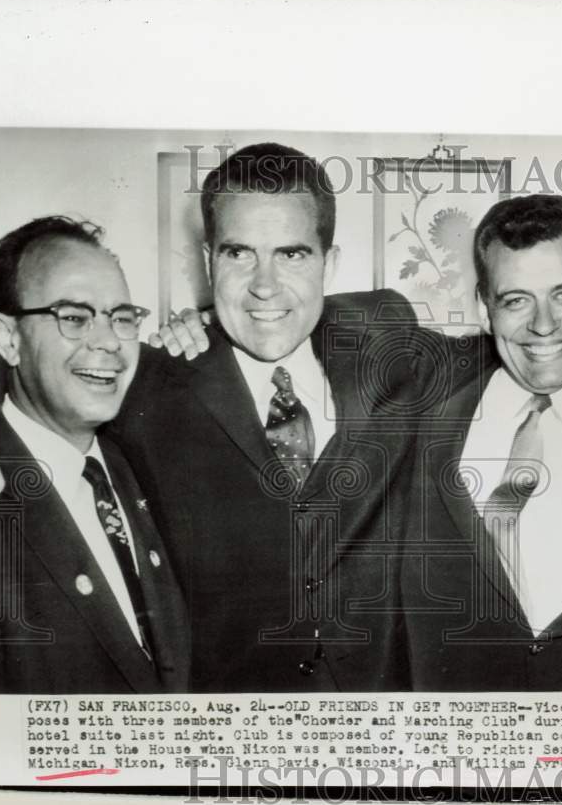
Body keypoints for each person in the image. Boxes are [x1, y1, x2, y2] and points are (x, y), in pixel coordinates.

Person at [104, 143, 425, 691]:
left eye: (292, 254)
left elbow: (527, 342)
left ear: (332, 263)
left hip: (385, 727)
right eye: (238, 254)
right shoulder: (145, 388)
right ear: (209, 260)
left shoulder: (385, 340)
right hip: (230, 738)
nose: (264, 284)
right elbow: (50, 423)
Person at [400, 194, 562, 690]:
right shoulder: (425, 408)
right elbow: (349, 315)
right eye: (516, 300)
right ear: (485, 310)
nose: (544, 324)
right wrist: (210, 322)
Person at [0, 216, 189, 693]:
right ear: (8, 338)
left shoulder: (142, 464)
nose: (108, 342)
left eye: (122, 317)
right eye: (73, 317)